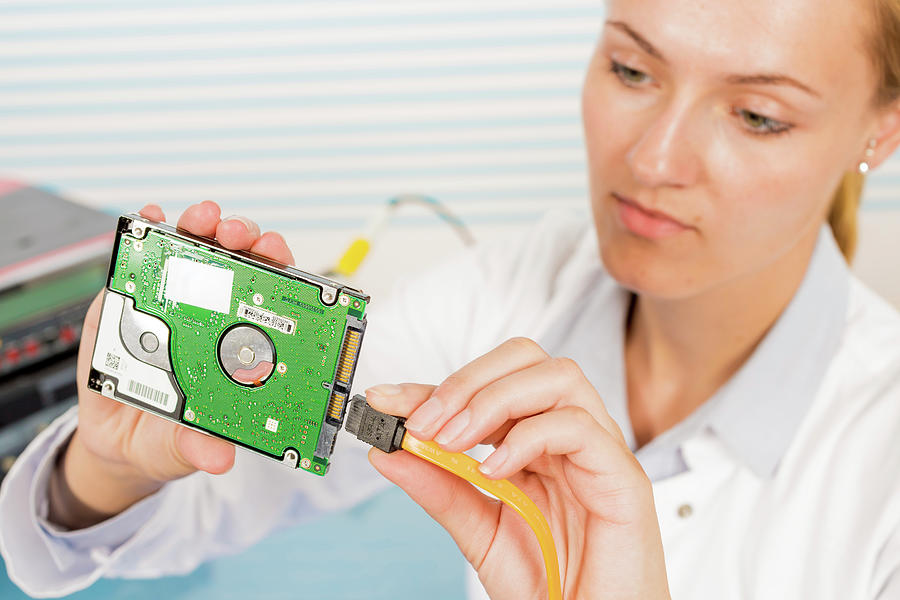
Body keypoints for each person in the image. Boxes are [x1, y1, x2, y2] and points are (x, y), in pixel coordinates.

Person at [3, 0, 900, 597]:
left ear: (880, 131)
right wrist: (113, 468)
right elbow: (198, 503)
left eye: (758, 117)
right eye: (632, 70)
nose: (656, 161)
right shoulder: (503, 293)